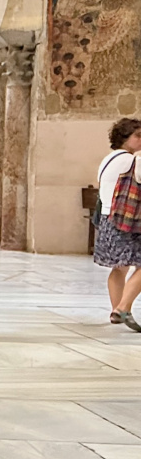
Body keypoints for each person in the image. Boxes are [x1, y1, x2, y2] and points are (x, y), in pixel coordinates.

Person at [96, 117, 141, 330]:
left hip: (108, 219)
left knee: (119, 268)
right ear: (124, 138)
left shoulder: (108, 159)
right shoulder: (132, 160)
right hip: (127, 221)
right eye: (138, 136)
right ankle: (123, 308)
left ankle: (119, 311)